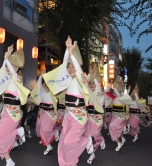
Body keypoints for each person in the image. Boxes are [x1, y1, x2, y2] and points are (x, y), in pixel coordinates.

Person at [43, 37, 93, 166]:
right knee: (64, 142)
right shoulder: (67, 80)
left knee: (69, 142)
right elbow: (63, 64)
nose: (71, 69)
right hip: (68, 115)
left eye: (73, 67)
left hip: (79, 117)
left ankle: (86, 140)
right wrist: (67, 50)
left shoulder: (82, 80)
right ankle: (70, 162)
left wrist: (72, 55)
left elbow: (79, 71)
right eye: (69, 67)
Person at [0, 45, 28, 166]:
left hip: (13, 113)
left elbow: (12, 73)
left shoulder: (18, 78)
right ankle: (9, 160)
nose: (8, 69)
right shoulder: (7, 78)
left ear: (16, 68)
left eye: (12, 67)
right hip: (7, 112)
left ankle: (17, 132)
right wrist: (7, 58)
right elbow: (2, 73)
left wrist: (7, 59)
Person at [30, 71, 58, 155]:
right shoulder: (43, 92)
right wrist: (41, 76)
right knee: (41, 130)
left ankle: (54, 133)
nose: (46, 86)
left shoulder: (54, 92)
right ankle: (48, 145)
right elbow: (38, 86)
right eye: (45, 85)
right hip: (44, 113)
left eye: (48, 85)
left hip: (52, 114)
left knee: (45, 130)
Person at [85, 64, 105, 164]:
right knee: (87, 135)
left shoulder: (99, 93)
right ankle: (92, 153)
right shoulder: (88, 92)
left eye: (94, 83)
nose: (92, 85)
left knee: (92, 134)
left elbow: (97, 87)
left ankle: (93, 152)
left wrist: (94, 77)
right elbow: (84, 84)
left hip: (97, 118)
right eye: (90, 83)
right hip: (89, 117)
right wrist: (89, 75)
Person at [109, 77, 133, 151]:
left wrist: (113, 85)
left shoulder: (121, 96)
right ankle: (122, 139)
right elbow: (107, 92)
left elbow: (120, 93)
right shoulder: (114, 97)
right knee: (117, 128)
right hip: (115, 116)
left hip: (120, 116)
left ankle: (119, 143)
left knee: (111, 126)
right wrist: (111, 85)